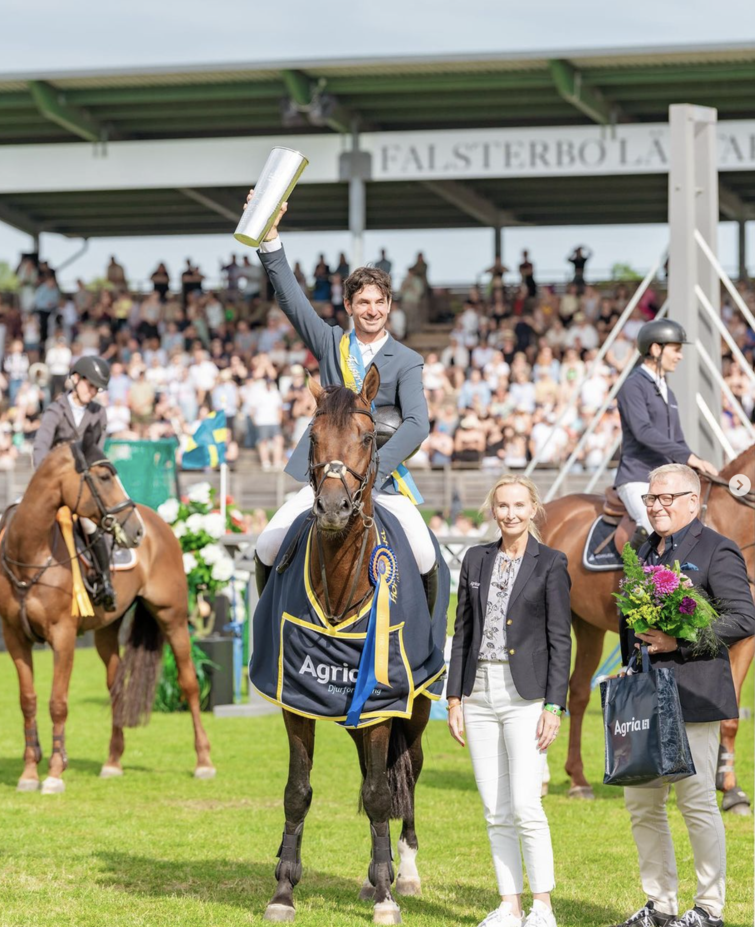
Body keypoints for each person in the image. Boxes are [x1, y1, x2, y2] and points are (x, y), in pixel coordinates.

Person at [248, 192, 437, 609]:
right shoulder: (331, 343)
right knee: (266, 544)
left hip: (380, 479)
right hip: (326, 478)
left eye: (379, 302)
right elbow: (292, 302)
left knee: (424, 553)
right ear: (349, 306)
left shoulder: (406, 360)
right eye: (363, 302)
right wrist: (270, 241)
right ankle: (275, 623)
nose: (372, 310)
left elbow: (417, 425)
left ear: (389, 306)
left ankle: (423, 643)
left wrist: (374, 470)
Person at [611, 463, 755, 927]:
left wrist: (680, 641)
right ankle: (659, 905)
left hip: (694, 694)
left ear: (694, 502)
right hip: (644, 695)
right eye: (652, 499)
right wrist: (628, 662)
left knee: (696, 802)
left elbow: (744, 618)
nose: (657, 507)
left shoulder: (719, 550)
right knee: (642, 805)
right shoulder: (639, 548)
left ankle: (709, 909)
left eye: (667, 498)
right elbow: (627, 617)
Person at [447, 475, 571, 927]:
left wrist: (555, 706)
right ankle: (509, 904)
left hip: (527, 697)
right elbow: (462, 632)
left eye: (519, 505)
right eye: (502, 505)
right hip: (478, 694)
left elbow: (561, 639)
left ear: (533, 507)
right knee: (494, 809)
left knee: (525, 805)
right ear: (493, 509)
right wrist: (454, 699)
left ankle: (542, 906)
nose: (511, 513)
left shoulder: (552, 563)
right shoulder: (475, 559)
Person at [615, 319, 718, 550]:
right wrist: (690, 458)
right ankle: (637, 583)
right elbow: (643, 431)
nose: (680, 356)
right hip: (638, 476)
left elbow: (678, 441)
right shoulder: (633, 386)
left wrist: (698, 465)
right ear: (655, 349)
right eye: (676, 349)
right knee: (655, 525)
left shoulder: (668, 392)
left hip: (666, 481)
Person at [32, 356, 116, 611]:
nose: (93, 392)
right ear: (76, 379)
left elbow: (97, 455)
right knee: (12, 515)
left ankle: (104, 580)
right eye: (90, 385)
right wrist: (45, 485)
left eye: (97, 389)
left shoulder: (98, 413)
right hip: (52, 485)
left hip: (81, 490)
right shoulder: (55, 411)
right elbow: (40, 449)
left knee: (92, 523)